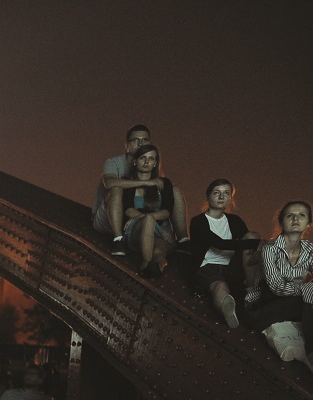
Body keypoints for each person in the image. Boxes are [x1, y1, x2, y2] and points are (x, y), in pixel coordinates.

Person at [187, 179, 263, 328]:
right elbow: (220, 244)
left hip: (232, 267)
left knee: (252, 236)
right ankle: (228, 312)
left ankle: (250, 289)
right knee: (220, 286)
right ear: (208, 196)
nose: (221, 197)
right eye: (217, 193)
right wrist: (260, 244)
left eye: (226, 193)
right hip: (207, 267)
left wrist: (257, 244)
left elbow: (247, 246)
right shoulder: (198, 222)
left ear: (230, 198)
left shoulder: (235, 220)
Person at [120, 143, 186, 279]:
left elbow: (167, 212)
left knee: (157, 252)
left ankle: (156, 270)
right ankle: (145, 263)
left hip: (162, 232)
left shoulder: (164, 183)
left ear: (155, 163)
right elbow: (128, 211)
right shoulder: (128, 182)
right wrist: (151, 223)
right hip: (136, 230)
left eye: (151, 159)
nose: (146, 162)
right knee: (149, 220)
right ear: (135, 161)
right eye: (142, 158)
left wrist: (155, 227)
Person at [258, 200, 313, 362]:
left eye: (301, 215)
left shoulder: (310, 250)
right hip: (270, 305)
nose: (295, 219)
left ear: (309, 223)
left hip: (297, 305)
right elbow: (277, 287)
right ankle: (311, 352)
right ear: (281, 221)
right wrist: (305, 289)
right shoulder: (270, 249)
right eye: (290, 215)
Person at [92, 124, 150, 253]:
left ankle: (182, 240)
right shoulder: (113, 162)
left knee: (174, 190)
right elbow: (110, 183)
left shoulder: (150, 166)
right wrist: (145, 183)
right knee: (117, 189)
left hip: (132, 218)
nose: (141, 144)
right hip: (106, 219)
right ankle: (118, 240)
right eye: (136, 140)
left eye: (145, 140)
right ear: (126, 145)